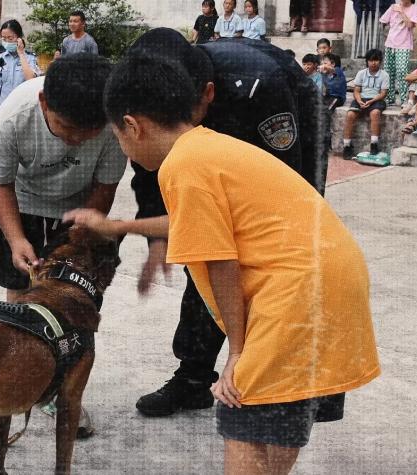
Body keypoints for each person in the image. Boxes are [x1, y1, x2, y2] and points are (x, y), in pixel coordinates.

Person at [101, 54, 380, 475]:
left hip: (293, 293)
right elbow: (195, 222)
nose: (122, 147)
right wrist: (119, 224)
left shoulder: (182, 166)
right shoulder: (207, 146)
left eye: (117, 137)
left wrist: (237, 350)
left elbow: (221, 262)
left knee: (242, 408)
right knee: (277, 411)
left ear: (133, 125)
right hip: (329, 280)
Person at [78, 28, 327, 418]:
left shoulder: (257, 84)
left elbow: (285, 189)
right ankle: (194, 377)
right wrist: (157, 242)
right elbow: (149, 174)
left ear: (204, 95)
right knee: (202, 248)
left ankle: (287, 372)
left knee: (275, 246)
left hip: (281, 108)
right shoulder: (152, 98)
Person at [0, 54, 126, 438]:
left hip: (78, 210)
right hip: (23, 207)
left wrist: (79, 239)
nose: (77, 140)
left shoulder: (114, 124)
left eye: (88, 132)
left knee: (74, 304)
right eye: (67, 128)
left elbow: (105, 187)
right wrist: (16, 239)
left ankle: (61, 390)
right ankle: (21, 379)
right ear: (45, 102)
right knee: (21, 301)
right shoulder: (14, 115)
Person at [0, 20, 40, 131]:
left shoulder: (30, 58)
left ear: (19, 37)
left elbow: (31, 80)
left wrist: (21, 53)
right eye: (4, 38)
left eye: (11, 38)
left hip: (22, 112)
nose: (7, 41)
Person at [342, 48, 389, 158]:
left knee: (375, 113)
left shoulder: (384, 75)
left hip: (377, 100)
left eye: (376, 60)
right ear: (367, 61)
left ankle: (374, 144)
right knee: (350, 115)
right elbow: (357, 90)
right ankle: (347, 146)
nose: (373, 63)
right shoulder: (361, 73)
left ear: (380, 61)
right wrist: (359, 101)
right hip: (361, 99)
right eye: (371, 60)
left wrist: (372, 101)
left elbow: (383, 93)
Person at [379, 0, 417, 106]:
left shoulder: (416, 9)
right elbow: (383, 21)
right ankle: (390, 98)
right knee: (389, 71)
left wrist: (401, 12)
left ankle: (404, 99)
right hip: (390, 44)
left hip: (404, 45)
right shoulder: (393, 7)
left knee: (402, 71)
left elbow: (409, 25)